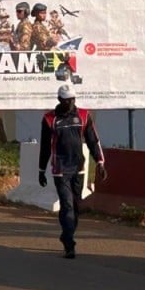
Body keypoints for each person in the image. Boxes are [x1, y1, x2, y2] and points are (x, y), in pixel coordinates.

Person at [38, 83, 107, 258]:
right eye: (66, 100)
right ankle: (69, 245)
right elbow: (45, 147)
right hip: (60, 169)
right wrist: (41, 169)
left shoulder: (83, 116)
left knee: (76, 207)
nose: (70, 103)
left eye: (72, 100)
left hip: (79, 168)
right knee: (67, 205)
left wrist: (100, 162)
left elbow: (93, 141)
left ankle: (67, 234)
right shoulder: (49, 119)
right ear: (59, 100)